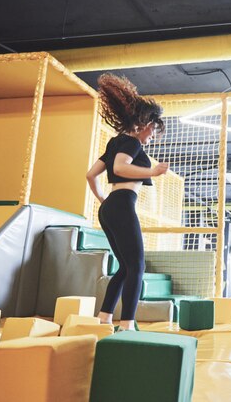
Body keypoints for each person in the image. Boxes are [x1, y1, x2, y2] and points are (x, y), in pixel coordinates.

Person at [86, 73, 169, 331]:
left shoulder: (114, 142)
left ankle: (104, 318)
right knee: (137, 266)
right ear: (145, 123)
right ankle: (128, 324)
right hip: (121, 205)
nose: (152, 136)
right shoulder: (131, 142)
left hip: (110, 206)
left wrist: (102, 199)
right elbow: (121, 168)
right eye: (153, 130)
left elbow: (91, 174)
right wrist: (152, 172)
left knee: (125, 267)